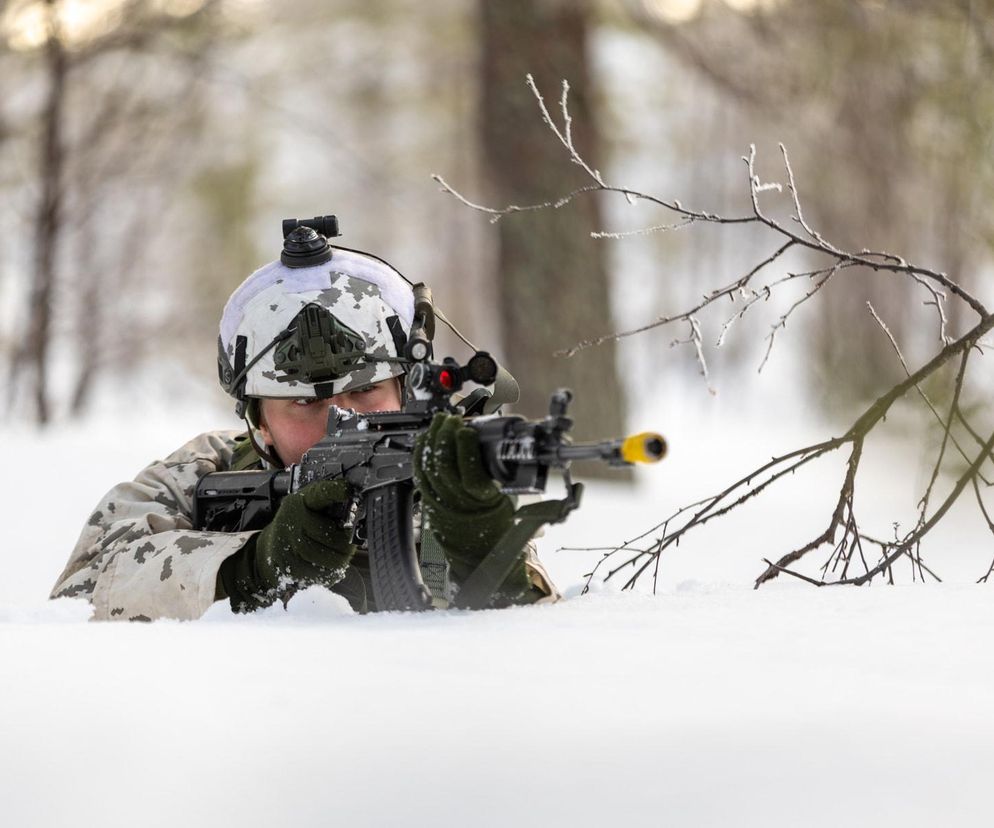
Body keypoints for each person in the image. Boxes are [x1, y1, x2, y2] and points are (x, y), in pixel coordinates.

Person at [51, 224, 558, 621]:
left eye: (364, 390)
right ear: (258, 422)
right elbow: (79, 601)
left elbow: (536, 637)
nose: (343, 416)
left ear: (406, 388)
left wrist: (483, 544)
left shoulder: (456, 474)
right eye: (303, 404)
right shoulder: (203, 471)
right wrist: (247, 569)